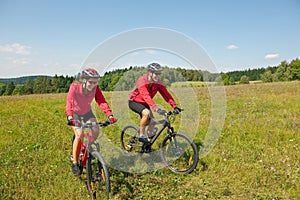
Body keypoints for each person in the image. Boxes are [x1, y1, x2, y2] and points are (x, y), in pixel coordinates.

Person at [66, 68, 117, 176]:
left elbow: (101, 101)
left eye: (95, 82)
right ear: (84, 80)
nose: (93, 85)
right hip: (75, 113)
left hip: (87, 112)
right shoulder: (74, 87)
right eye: (91, 82)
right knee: (79, 134)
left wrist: (110, 115)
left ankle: (85, 147)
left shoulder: (95, 88)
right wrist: (70, 117)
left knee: (96, 130)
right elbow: (69, 102)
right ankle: (75, 163)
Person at [128, 63, 182, 143]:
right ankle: (141, 135)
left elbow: (166, 94)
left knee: (152, 122)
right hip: (134, 101)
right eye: (156, 73)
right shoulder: (142, 80)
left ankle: (147, 144)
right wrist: (156, 108)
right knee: (146, 113)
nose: (158, 76)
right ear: (150, 72)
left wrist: (174, 106)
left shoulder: (158, 82)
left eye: (159, 74)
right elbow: (146, 96)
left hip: (145, 103)